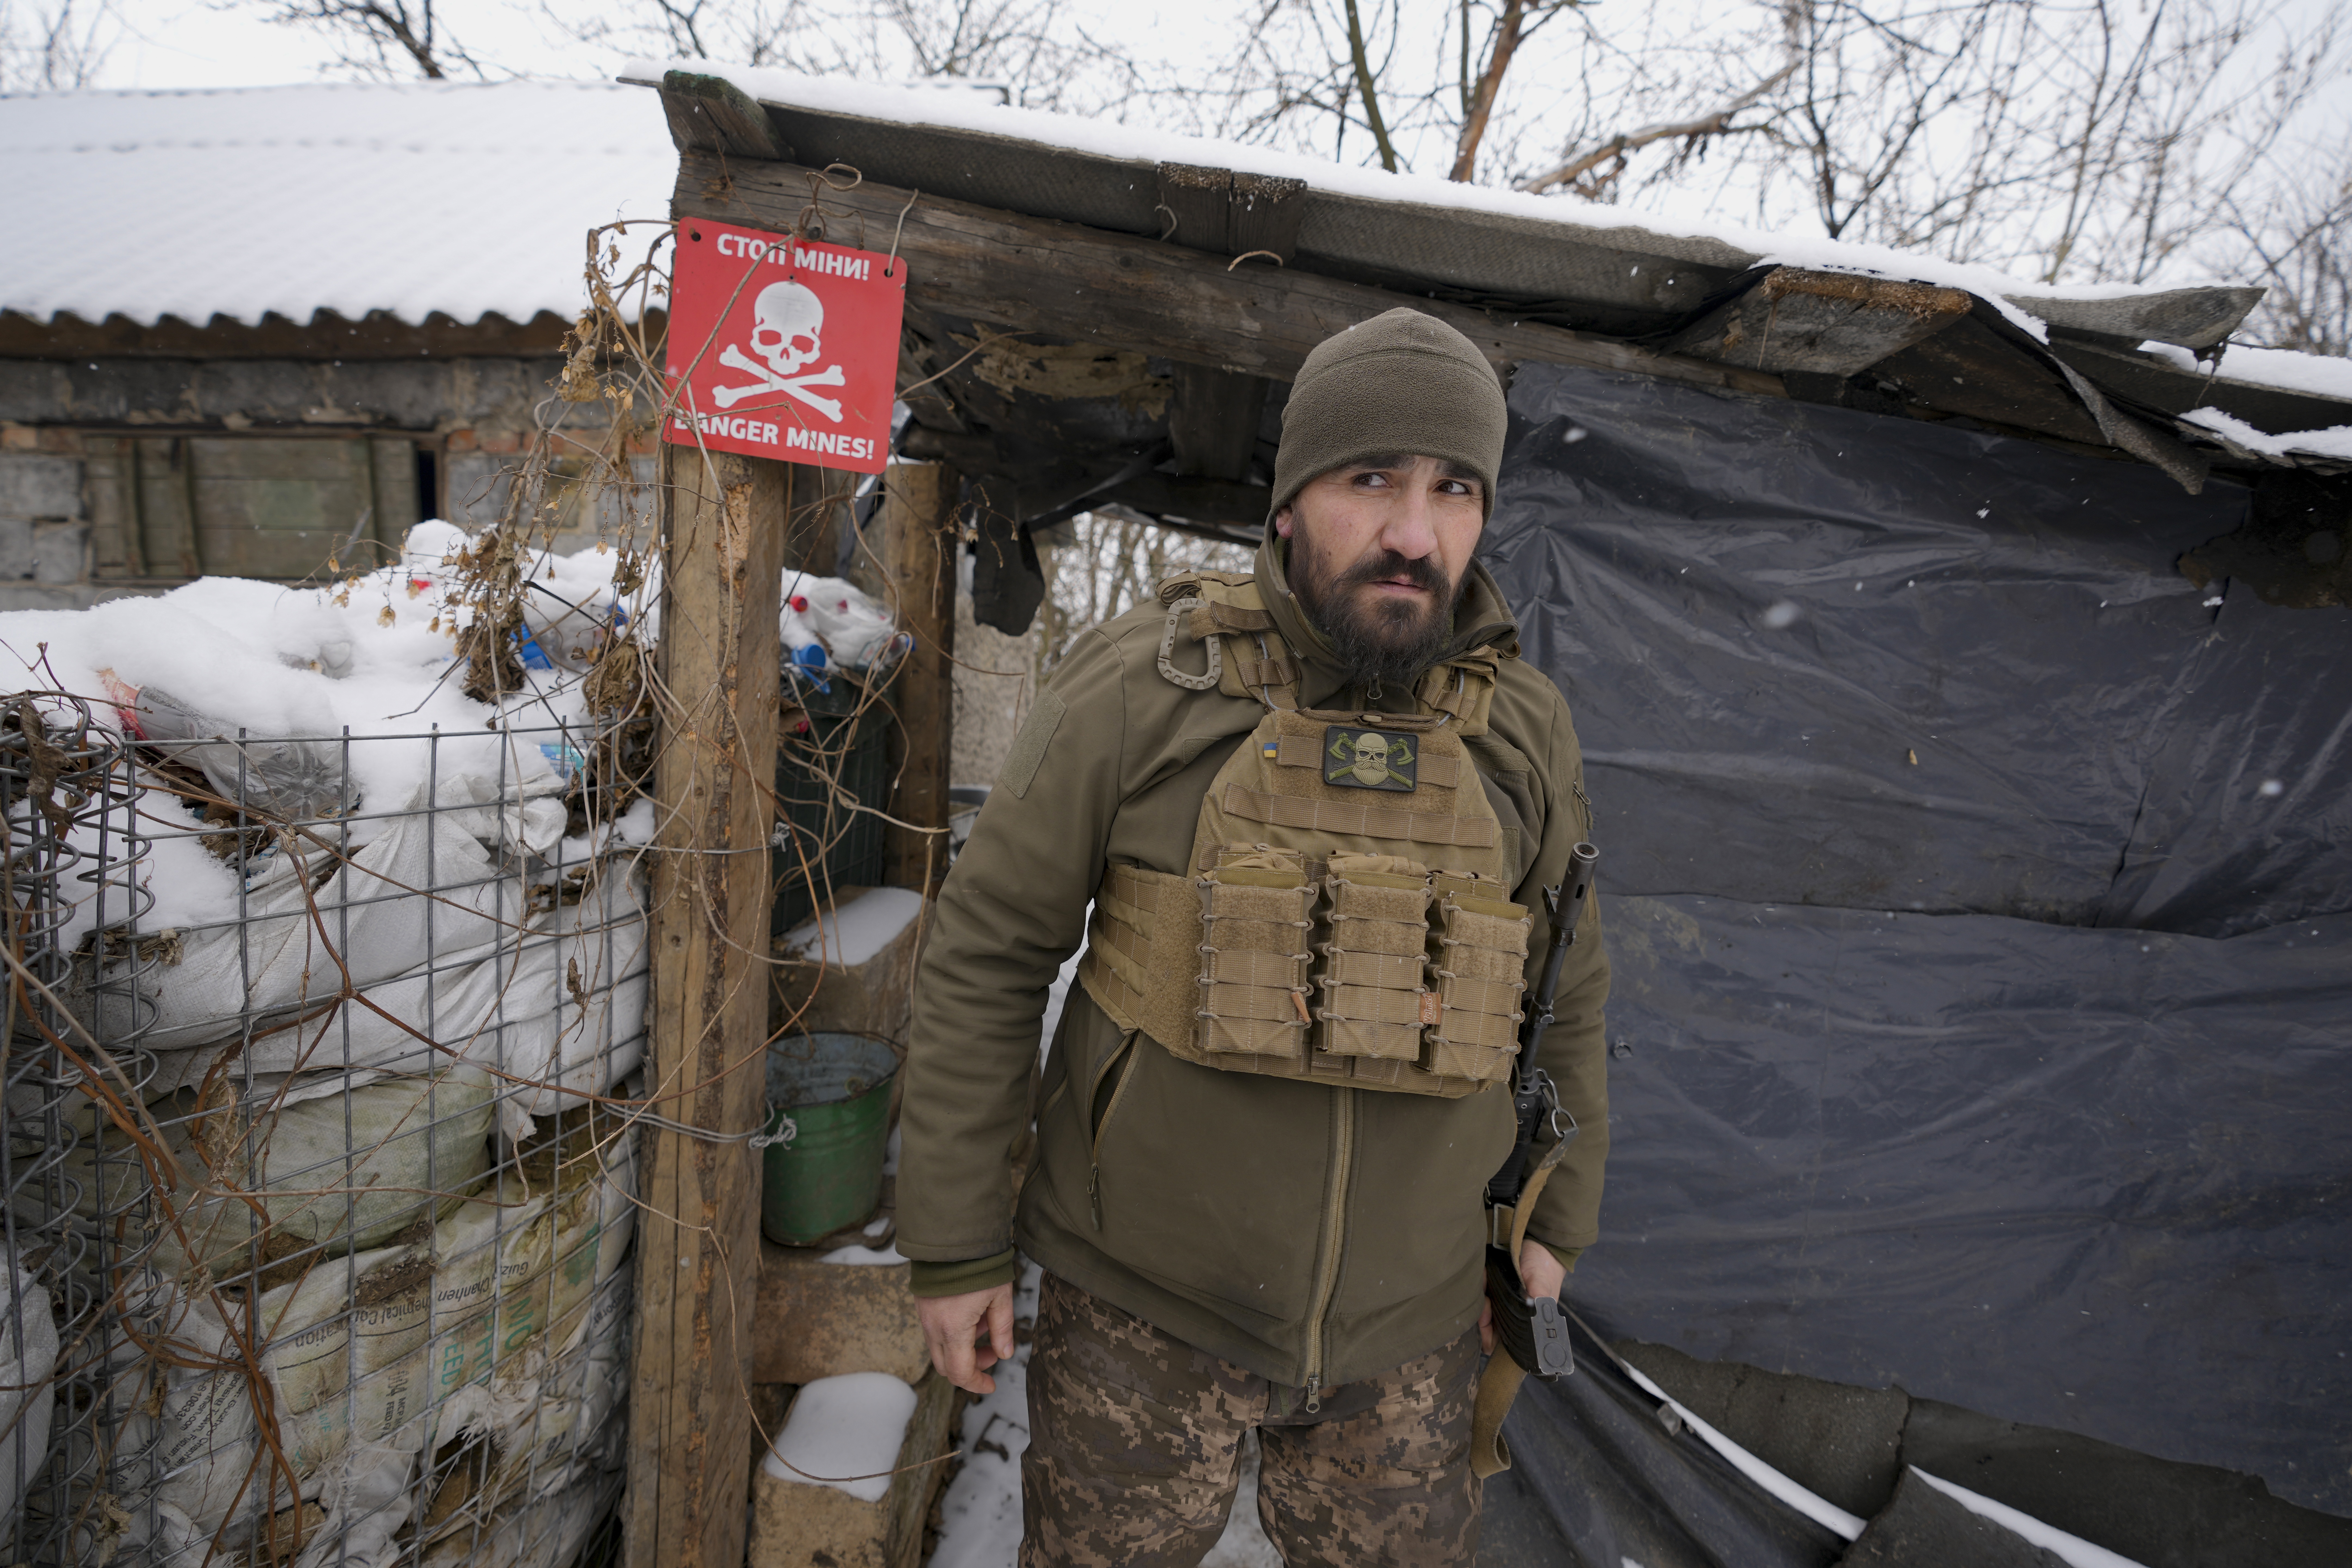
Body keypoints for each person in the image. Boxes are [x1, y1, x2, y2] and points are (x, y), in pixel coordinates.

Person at [898, 307, 1610, 1566]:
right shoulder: (1141, 685)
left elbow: (1569, 996)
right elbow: (988, 954)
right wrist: (955, 1244)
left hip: (1417, 1333)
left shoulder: (1525, 732)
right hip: (1140, 1316)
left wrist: (1553, 1230)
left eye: (1454, 489)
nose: (1413, 531)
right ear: (1288, 502)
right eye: (1371, 477)